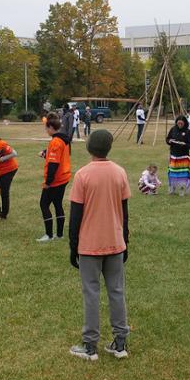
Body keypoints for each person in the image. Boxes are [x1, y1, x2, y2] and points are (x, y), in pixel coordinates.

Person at [67, 129, 131, 361]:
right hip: (115, 242)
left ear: (89, 147)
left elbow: (75, 215)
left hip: (90, 245)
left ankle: (90, 345)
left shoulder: (83, 175)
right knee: (117, 291)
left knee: (91, 293)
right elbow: (124, 213)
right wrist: (126, 240)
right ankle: (120, 342)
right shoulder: (119, 173)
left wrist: (73, 246)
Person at [39, 111, 72, 242]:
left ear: (51, 128)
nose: (46, 130)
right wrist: (45, 153)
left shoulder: (56, 142)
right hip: (64, 177)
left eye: (46, 128)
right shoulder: (63, 139)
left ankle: (49, 235)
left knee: (44, 204)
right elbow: (58, 155)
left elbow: (53, 163)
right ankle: (59, 234)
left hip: (56, 180)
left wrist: (48, 182)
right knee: (58, 204)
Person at [165, 115, 190, 196]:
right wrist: (169, 141)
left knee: (182, 173)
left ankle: (182, 189)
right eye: (178, 122)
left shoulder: (188, 132)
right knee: (172, 172)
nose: (180, 124)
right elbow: (167, 139)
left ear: (185, 123)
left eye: (182, 122)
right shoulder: (173, 129)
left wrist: (184, 144)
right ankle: (172, 188)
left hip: (183, 156)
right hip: (174, 155)